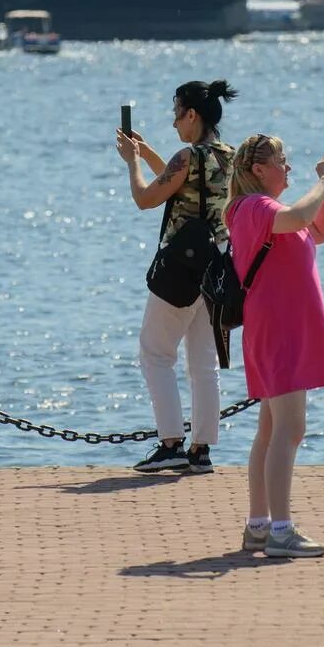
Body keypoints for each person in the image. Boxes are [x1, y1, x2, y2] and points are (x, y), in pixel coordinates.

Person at [226, 134, 324, 558]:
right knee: (290, 429)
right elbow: (299, 216)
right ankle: (280, 530)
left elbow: (320, 229)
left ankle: (259, 526)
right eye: (282, 161)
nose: (288, 168)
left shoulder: (268, 211)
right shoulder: (254, 208)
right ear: (259, 170)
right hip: (278, 330)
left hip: (283, 327)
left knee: (271, 430)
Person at [116, 79, 238, 475]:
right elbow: (181, 183)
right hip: (216, 268)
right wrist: (147, 150)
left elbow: (145, 197)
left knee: (155, 353)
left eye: (176, 114)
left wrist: (132, 163)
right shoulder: (229, 157)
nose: (173, 123)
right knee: (203, 362)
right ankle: (201, 451)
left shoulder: (187, 157)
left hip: (181, 270)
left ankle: (171, 444)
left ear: (192, 115)